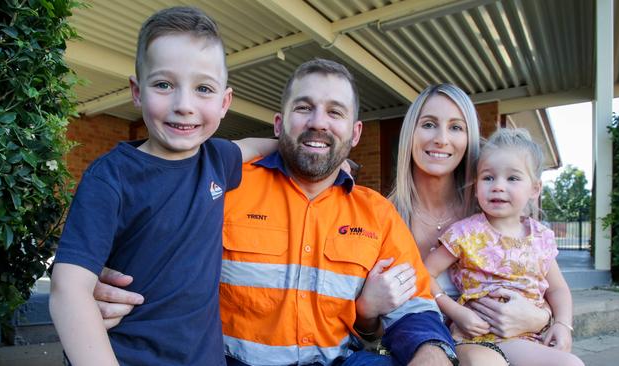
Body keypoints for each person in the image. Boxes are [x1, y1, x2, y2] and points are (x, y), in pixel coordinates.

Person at [93, 59, 457, 365]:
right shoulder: (225, 187)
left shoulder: (376, 213)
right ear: (279, 124)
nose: (318, 122)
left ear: (355, 132)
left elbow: (415, 310)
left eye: (335, 112)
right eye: (303, 108)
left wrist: (432, 354)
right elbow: (153, 244)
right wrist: (104, 279)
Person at [49, 7, 275, 366]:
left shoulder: (217, 159)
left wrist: (299, 148)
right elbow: (68, 291)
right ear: (137, 92)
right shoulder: (111, 178)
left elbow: (251, 147)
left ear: (224, 102)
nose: (183, 105)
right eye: (164, 85)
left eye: (203, 88)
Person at [367, 84, 553, 365]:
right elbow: (370, 326)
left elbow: (538, 280)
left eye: (456, 127)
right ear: (410, 134)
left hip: (507, 347)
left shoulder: (492, 211)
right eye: (429, 124)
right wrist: (368, 311)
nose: (442, 139)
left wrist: (542, 318)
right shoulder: (383, 216)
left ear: (470, 139)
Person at [425, 128, 583, 365]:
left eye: (512, 178)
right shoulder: (465, 232)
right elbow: (424, 272)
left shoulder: (541, 238)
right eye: (488, 177)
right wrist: (454, 311)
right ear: (476, 185)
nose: (498, 186)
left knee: (571, 363)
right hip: (475, 337)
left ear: (534, 189)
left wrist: (563, 324)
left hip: (528, 338)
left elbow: (558, 289)